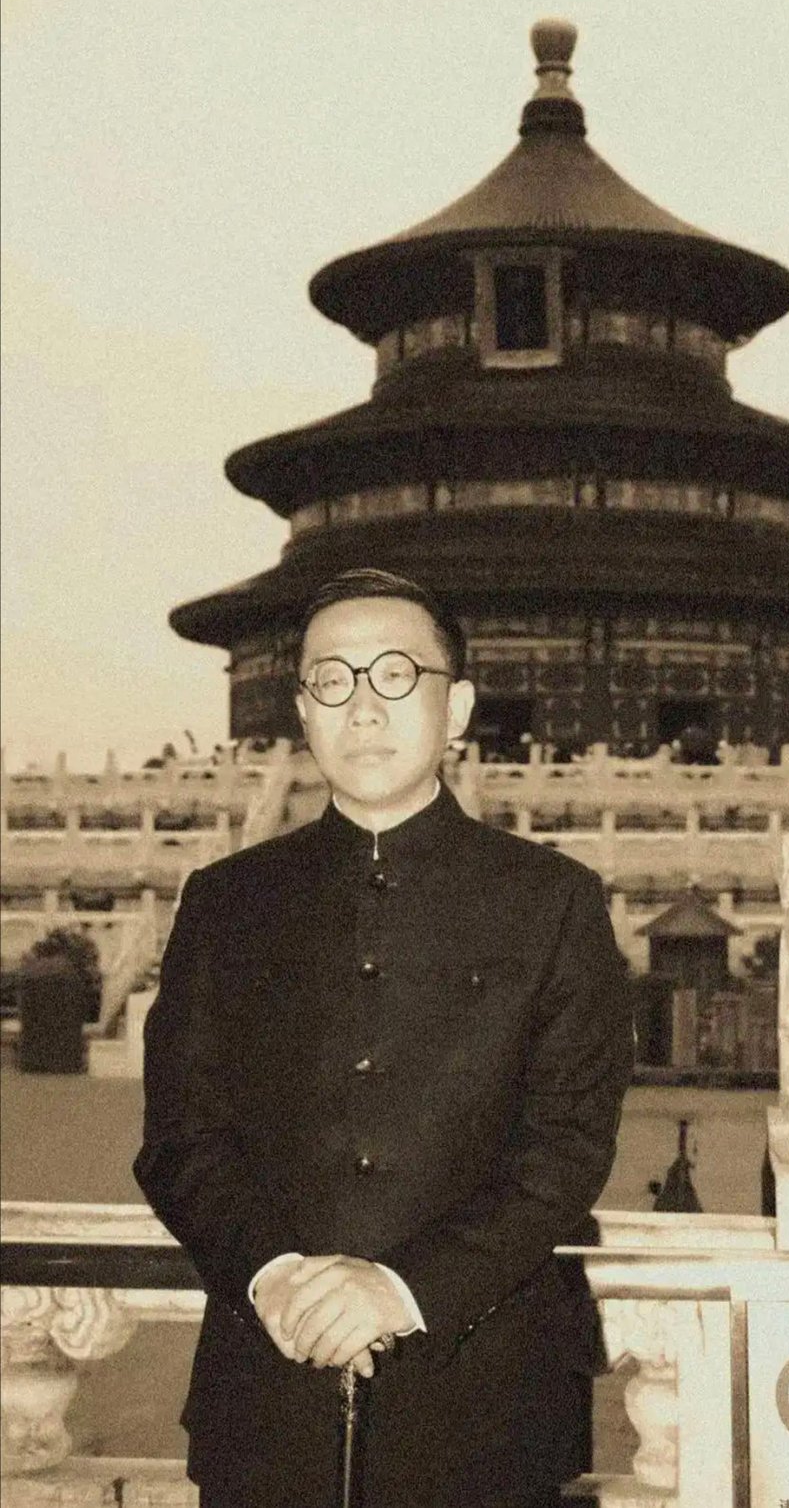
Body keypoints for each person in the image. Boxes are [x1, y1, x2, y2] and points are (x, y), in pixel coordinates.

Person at [134, 568, 634, 1508]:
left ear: (460, 709)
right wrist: (274, 1277)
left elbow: (565, 1149)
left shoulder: (551, 902)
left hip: (486, 1399)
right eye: (333, 679)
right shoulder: (227, 903)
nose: (363, 708)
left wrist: (400, 1290)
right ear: (302, 711)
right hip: (266, 1397)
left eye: (397, 675)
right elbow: (180, 1140)